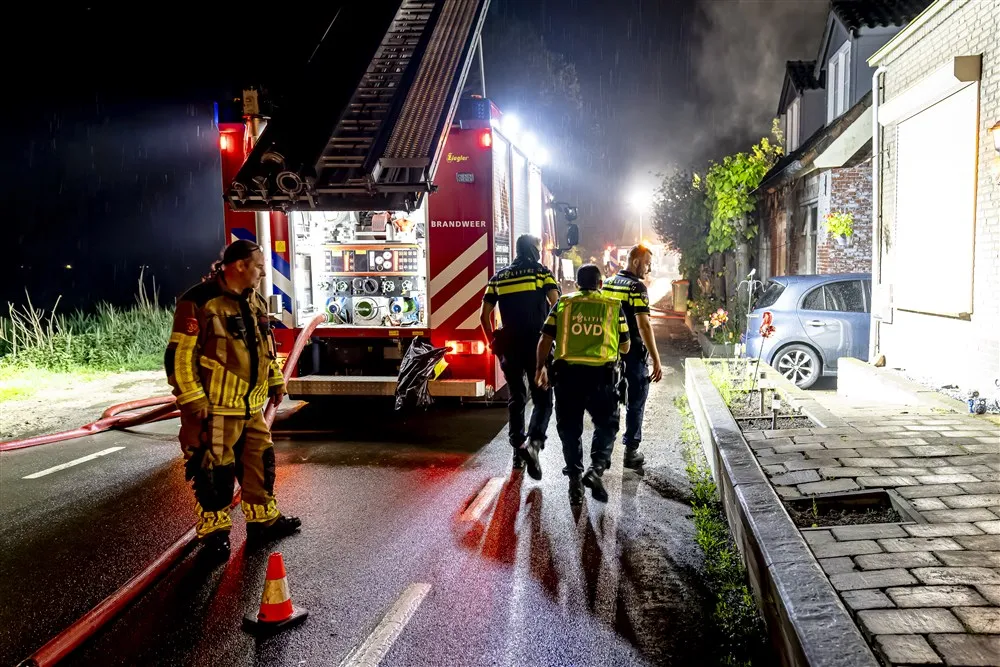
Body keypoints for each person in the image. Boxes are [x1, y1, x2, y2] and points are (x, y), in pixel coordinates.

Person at [164, 239, 301, 561]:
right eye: (258, 266)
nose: (262, 273)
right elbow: (180, 358)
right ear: (239, 265)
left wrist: (275, 379)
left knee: (259, 465)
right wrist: (193, 400)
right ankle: (215, 532)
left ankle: (263, 521)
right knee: (215, 473)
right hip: (216, 409)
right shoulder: (199, 302)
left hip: (250, 406)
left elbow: (264, 345)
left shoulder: (251, 300)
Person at [535, 264, 630, 504]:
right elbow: (625, 346)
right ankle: (596, 469)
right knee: (607, 426)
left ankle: (575, 482)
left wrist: (540, 368)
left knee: (569, 429)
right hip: (602, 379)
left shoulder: (563, 304)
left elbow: (545, 339)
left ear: (577, 284)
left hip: (568, 378)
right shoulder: (613, 306)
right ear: (600, 284)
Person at [480, 234, 560, 480]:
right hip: (537, 346)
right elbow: (557, 307)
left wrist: (493, 341)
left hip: (510, 347)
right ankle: (533, 445)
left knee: (517, 396)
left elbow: (484, 316)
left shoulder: (499, 277)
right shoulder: (542, 274)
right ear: (534, 250)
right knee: (543, 399)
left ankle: (518, 450)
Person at [601, 244, 663, 469]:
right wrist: (656, 359)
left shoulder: (607, 283)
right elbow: (644, 325)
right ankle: (631, 451)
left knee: (610, 401)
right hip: (633, 353)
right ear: (635, 261)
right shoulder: (637, 287)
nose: (649, 267)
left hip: (608, 353)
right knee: (636, 399)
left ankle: (605, 450)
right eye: (647, 262)